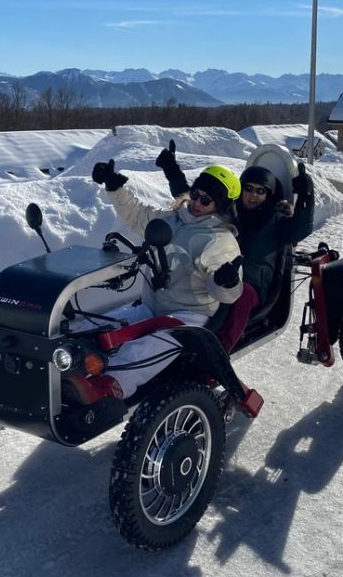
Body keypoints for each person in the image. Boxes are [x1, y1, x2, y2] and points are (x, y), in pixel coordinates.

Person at [62, 159, 244, 406]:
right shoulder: (172, 217)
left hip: (188, 314)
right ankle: (63, 362)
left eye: (206, 200)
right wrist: (115, 187)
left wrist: (225, 281)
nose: (197, 203)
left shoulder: (219, 241)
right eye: (196, 193)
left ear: (220, 207)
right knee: (103, 326)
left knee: (146, 348)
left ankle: (108, 387)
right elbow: (137, 214)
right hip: (152, 304)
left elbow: (226, 293)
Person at [156, 141, 315, 351]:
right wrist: (171, 169)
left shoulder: (277, 220)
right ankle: (167, 334)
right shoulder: (227, 211)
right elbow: (195, 199)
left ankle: (219, 351)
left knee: (242, 295)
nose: (253, 195)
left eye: (261, 191)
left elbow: (301, 228)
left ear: (268, 195)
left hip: (252, 285)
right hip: (218, 274)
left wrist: (306, 196)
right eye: (248, 189)